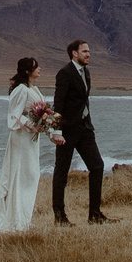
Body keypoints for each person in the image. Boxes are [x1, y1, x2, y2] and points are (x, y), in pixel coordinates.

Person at [51, 38, 114, 225]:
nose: (88, 54)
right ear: (74, 53)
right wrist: (57, 130)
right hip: (67, 130)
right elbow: (58, 103)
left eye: (89, 51)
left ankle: (95, 215)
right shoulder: (64, 73)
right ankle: (60, 217)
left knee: (97, 166)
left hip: (85, 128)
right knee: (61, 172)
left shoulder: (86, 73)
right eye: (85, 51)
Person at [0, 54, 51, 233]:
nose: (40, 69)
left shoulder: (35, 89)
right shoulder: (21, 90)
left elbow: (40, 111)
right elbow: (14, 115)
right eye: (36, 66)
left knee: (31, 174)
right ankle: (16, 217)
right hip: (22, 138)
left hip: (31, 139)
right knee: (22, 174)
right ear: (27, 71)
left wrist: (44, 123)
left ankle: (24, 216)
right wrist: (32, 125)